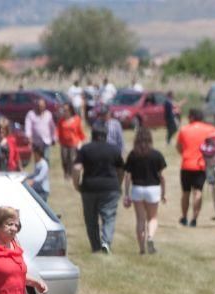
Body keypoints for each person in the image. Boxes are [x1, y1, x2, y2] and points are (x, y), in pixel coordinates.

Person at [72, 122, 125, 254]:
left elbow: (76, 168)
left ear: (92, 135)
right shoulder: (114, 150)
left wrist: (77, 184)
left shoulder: (85, 149)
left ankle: (95, 247)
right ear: (106, 136)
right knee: (109, 217)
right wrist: (118, 184)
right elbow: (121, 170)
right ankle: (106, 242)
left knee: (91, 219)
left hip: (89, 187)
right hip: (110, 188)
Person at [123, 127, 167, 255]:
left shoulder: (133, 155)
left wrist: (126, 194)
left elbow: (127, 176)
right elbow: (162, 177)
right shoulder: (156, 155)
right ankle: (150, 237)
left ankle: (142, 249)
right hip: (153, 189)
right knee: (152, 218)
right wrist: (163, 193)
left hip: (137, 189)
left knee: (140, 219)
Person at [175, 108, 215, 227]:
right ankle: (194, 219)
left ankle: (184, 217)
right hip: (201, 165)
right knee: (198, 192)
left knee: (186, 192)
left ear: (192, 117)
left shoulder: (184, 130)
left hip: (186, 164)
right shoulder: (210, 129)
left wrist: (184, 154)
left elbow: (178, 147)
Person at [56, 103, 85, 179]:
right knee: (64, 159)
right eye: (64, 110)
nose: (65, 111)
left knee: (72, 159)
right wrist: (57, 138)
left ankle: (71, 175)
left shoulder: (76, 119)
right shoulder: (61, 120)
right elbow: (58, 130)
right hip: (64, 143)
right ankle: (66, 173)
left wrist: (81, 141)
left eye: (66, 110)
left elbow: (80, 131)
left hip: (74, 143)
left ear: (71, 110)